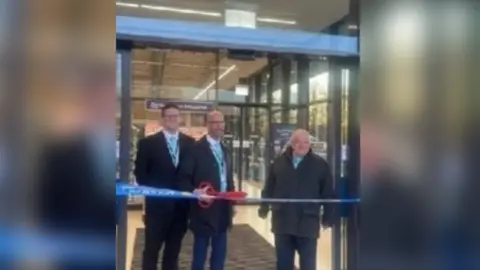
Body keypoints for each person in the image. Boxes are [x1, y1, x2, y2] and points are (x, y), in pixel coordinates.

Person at [258, 129, 335, 270]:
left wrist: (328, 217)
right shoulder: (278, 163)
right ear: (292, 144)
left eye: (306, 142)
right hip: (283, 223)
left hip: (307, 224)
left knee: (308, 265)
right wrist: (263, 207)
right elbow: (268, 188)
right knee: (283, 265)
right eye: (298, 142)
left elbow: (328, 193)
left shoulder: (320, 165)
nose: (302, 145)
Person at [134, 103, 195, 270]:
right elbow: (140, 175)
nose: (172, 119)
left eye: (175, 116)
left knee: (173, 252)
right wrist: (157, 191)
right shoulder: (148, 144)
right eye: (168, 116)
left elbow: (193, 175)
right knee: (151, 251)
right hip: (157, 209)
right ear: (162, 120)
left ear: (180, 119)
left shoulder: (190, 144)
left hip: (180, 210)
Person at [178, 110, 235, 270]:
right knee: (200, 253)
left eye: (221, 122)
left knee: (220, 252)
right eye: (215, 122)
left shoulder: (226, 150)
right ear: (207, 125)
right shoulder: (195, 149)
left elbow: (228, 178)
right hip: (203, 208)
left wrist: (233, 199)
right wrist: (195, 192)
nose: (219, 126)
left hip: (223, 208)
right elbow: (183, 178)